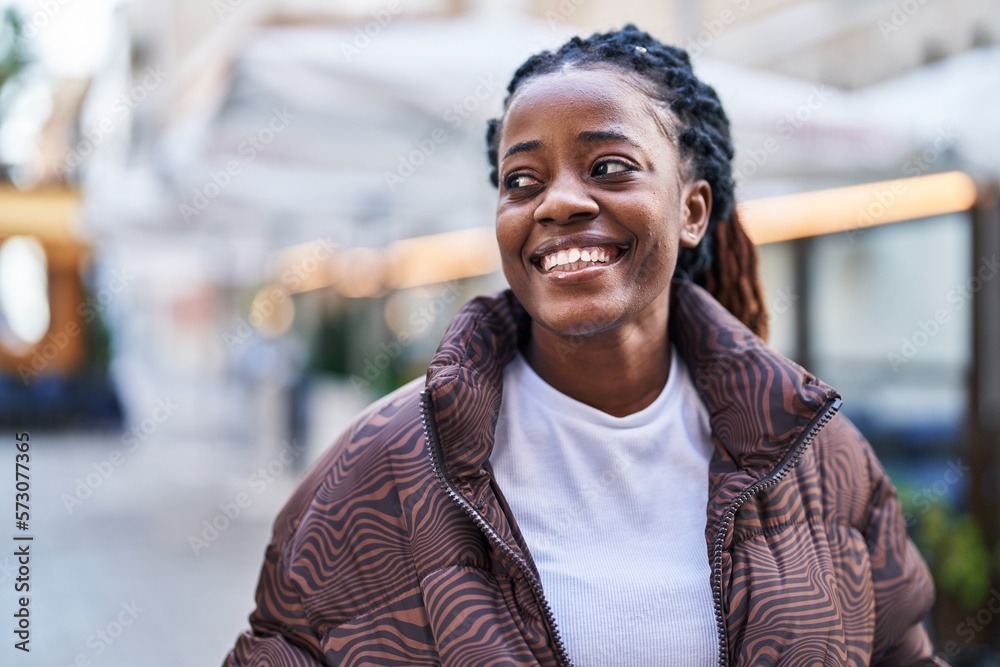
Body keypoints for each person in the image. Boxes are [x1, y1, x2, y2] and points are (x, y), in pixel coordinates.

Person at [225, 25, 945, 666]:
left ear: (692, 209)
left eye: (607, 167)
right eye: (522, 180)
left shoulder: (822, 457)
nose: (557, 202)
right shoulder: (381, 466)